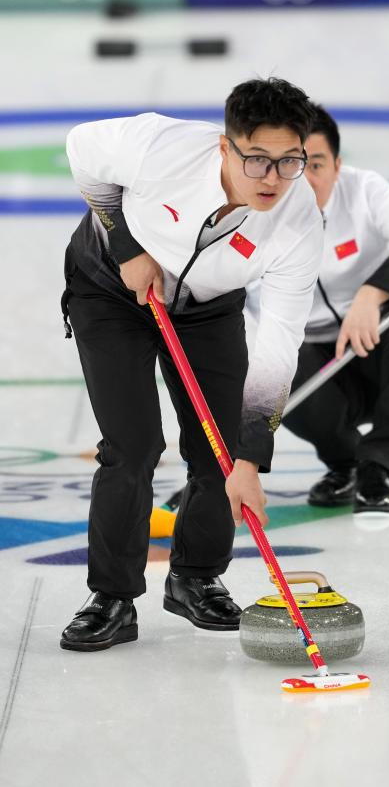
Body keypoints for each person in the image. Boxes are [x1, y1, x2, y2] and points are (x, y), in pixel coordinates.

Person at [60, 77, 324, 651]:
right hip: (110, 291)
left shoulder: (299, 221)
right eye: (257, 160)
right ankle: (112, 597)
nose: (273, 179)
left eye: (289, 161)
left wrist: (252, 456)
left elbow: (280, 341)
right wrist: (127, 248)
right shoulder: (163, 148)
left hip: (207, 309)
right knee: (133, 446)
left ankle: (196, 578)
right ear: (225, 147)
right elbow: (82, 150)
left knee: (221, 451)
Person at [269, 105, 389, 521]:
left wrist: (372, 293)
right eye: (293, 165)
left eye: (316, 165)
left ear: (338, 165)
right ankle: (346, 462)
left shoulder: (363, 189)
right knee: (271, 370)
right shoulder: (255, 211)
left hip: (379, 340)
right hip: (315, 363)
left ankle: (378, 467)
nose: (304, 179)